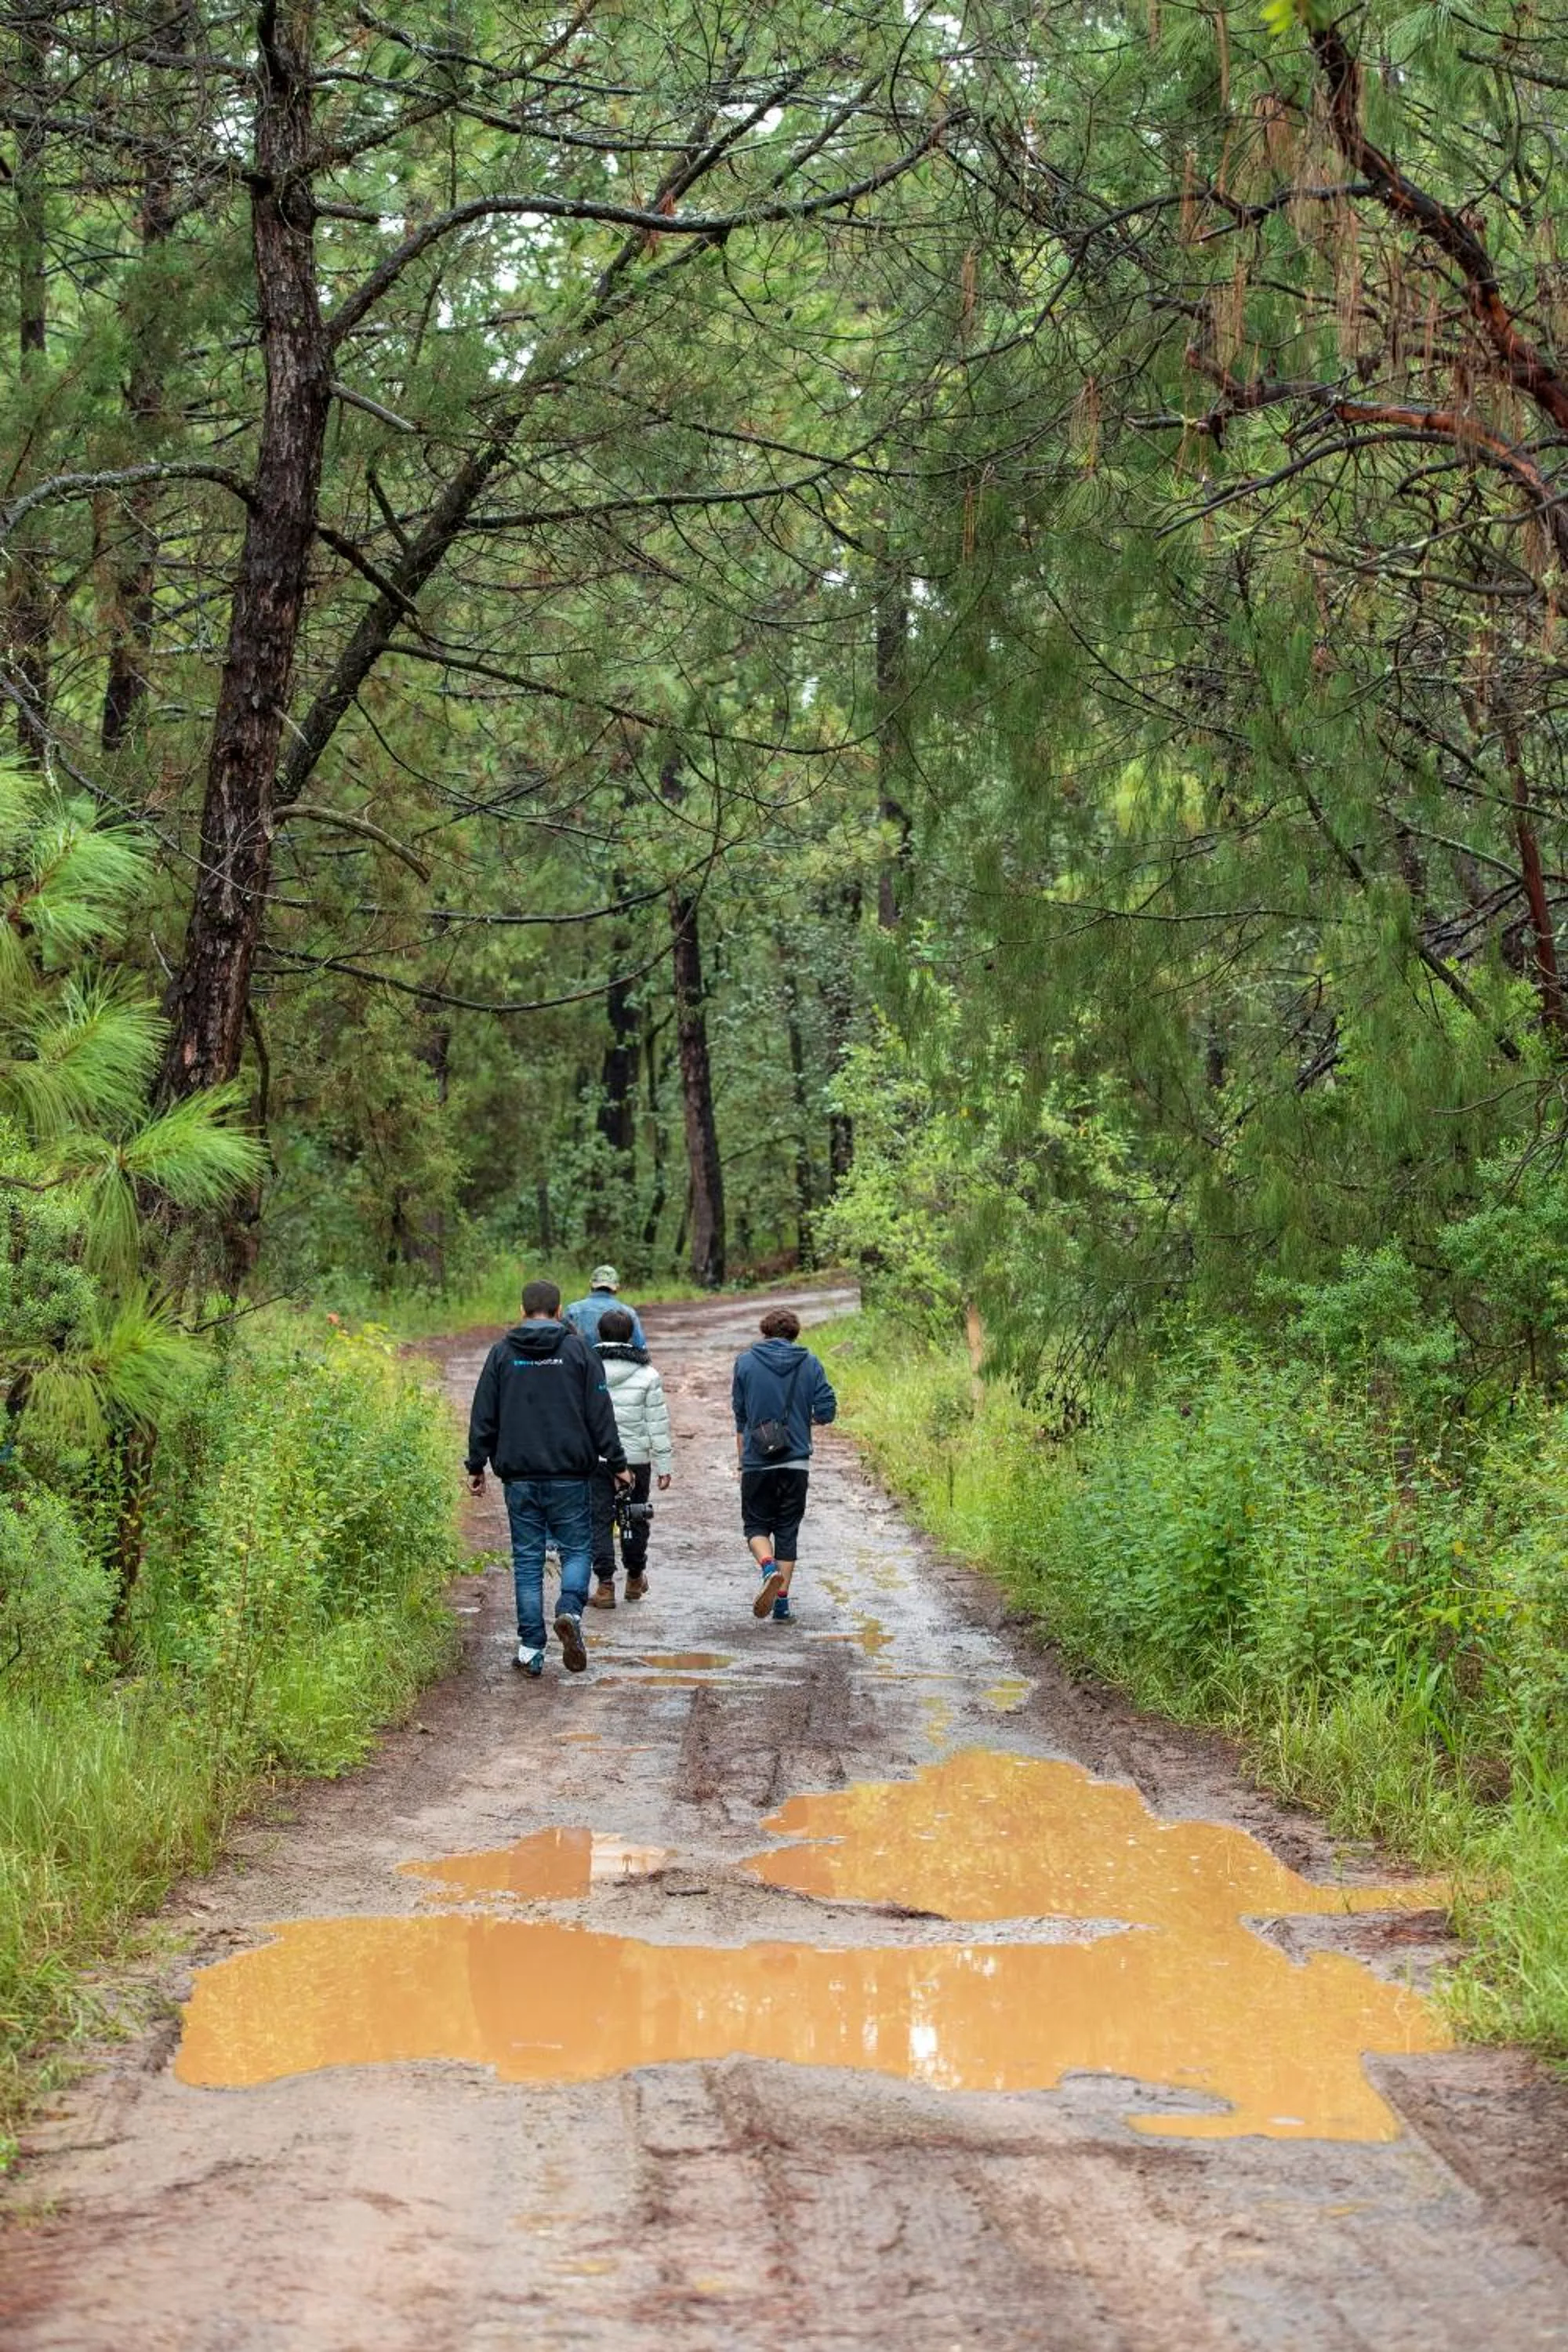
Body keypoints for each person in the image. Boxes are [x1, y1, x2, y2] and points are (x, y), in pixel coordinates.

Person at [466, 1276, 631, 1677]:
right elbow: (600, 1411)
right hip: (571, 1473)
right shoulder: (578, 1351)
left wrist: (476, 1465)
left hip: (520, 1476)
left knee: (527, 1561)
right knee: (577, 1551)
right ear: (559, 1312)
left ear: (522, 1311)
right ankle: (570, 1612)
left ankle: (530, 1650)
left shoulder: (503, 1353)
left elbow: (484, 1413)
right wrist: (618, 1461)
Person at [731, 1306, 837, 1624]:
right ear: (795, 1334)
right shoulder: (810, 1361)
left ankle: (768, 1568)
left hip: (757, 1461)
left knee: (755, 1526)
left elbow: (741, 1416)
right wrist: (806, 1418)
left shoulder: (745, 1362)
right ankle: (781, 1604)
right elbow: (827, 1410)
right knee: (788, 1530)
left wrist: (742, 1463)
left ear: (764, 1332)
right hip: (795, 1461)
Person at [587, 1307, 673, 1609]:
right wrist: (664, 1464)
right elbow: (657, 1424)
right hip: (636, 1459)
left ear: (599, 1334)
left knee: (599, 1519)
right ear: (632, 1336)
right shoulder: (648, 1374)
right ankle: (635, 1577)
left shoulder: (586, 1369)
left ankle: (605, 1585)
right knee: (635, 1516)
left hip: (595, 1458)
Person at [564, 1264, 648, 1350]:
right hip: (617, 1362)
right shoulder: (629, 1313)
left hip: (582, 1362)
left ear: (591, 1285)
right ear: (617, 1288)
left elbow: (564, 1346)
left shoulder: (573, 1310)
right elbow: (640, 1347)